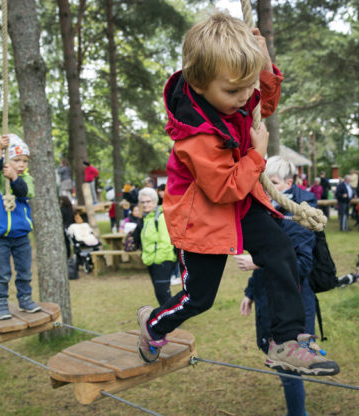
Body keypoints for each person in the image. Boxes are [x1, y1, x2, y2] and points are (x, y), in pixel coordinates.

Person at [137, 12, 338, 376]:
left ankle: (286, 341)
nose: (245, 97)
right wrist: (257, 155)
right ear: (199, 84)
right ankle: (153, 324)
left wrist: (264, 67)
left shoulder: (232, 98)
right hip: (203, 217)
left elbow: (264, 105)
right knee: (199, 298)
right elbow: (222, 187)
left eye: (248, 86)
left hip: (241, 203)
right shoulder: (196, 135)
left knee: (280, 251)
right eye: (234, 90)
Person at [236, 155, 318, 415]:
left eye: (272, 182)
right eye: (263, 183)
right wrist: (250, 292)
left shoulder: (300, 214)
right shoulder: (265, 210)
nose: (267, 189)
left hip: (294, 304)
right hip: (268, 297)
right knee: (277, 357)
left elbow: (302, 265)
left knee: (289, 365)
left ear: (288, 183)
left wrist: (258, 262)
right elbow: (266, 252)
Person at [0, 134, 41, 320]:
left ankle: (25, 299)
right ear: (7, 160)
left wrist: (15, 176)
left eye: (25, 160)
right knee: (1, 273)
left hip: (21, 236)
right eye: (16, 160)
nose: (22, 164)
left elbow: (24, 192)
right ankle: (0, 303)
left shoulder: (26, 179)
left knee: (24, 271)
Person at [132, 187, 176, 306]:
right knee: (160, 293)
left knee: (163, 293)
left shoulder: (160, 217)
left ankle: (171, 316)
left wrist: (159, 261)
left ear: (155, 202)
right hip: (151, 260)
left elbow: (166, 241)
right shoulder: (146, 218)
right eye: (143, 202)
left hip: (162, 261)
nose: (145, 204)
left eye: (148, 201)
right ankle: (168, 314)